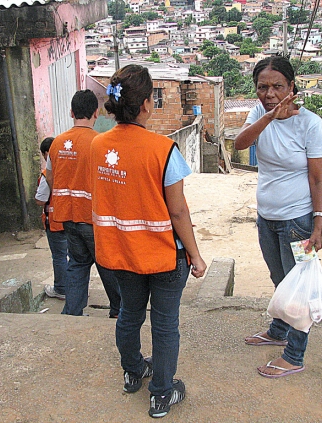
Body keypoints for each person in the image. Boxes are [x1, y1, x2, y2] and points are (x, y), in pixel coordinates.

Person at [90, 65, 207, 418]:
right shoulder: (163, 149)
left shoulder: (98, 146)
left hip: (120, 254)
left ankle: (132, 372)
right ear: (145, 105)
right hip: (163, 257)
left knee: (129, 314)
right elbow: (178, 213)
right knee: (165, 323)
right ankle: (161, 394)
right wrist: (197, 256)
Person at [234, 55, 322, 378]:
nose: (269, 93)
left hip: (299, 222)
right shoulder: (259, 114)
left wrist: (318, 224)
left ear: (292, 87)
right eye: (262, 87)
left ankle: (294, 354)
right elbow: (239, 143)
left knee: (299, 289)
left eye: (277, 86)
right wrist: (270, 117)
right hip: (268, 218)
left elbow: (318, 179)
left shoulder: (311, 125)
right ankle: (278, 330)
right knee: (280, 280)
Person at [46, 90, 121, 318]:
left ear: (71, 112)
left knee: (77, 264)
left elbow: (50, 177)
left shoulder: (56, 143)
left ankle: (72, 312)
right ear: (95, 113)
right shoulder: (99, 143)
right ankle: (119, 310)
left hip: (66, 215)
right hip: (92, 217)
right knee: (106, 264)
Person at [35, 137, 69, 300]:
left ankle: (61, 289)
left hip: (55, 222)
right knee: (76, 259)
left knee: (59, 256)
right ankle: (76, 289)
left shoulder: (46, 175)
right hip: (72, 220)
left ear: (45, 154)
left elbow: (41, 199)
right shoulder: (69, 169)